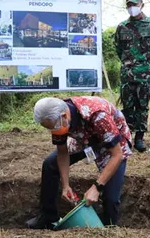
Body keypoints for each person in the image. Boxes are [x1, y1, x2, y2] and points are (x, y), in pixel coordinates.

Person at [26, 96, 132, 229]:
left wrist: (96, 187)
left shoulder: (97, 115)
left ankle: (109, 227)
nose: (54, 131)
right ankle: (48, 216)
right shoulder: (57, 120)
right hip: (84, 138)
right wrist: (65, 185)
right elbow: (62, 152)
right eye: (50, 129)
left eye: (54, 128)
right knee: (50, 164)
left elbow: (117, 155)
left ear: (64, 116)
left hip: (113, 143)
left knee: (110, 196)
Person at [114, 0, 150, 152]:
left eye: (134, 4)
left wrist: (145, 61)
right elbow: (118, 49)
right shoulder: (122, 27)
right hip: (127, 73)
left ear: (142, 5)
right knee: (127, 105)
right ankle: (127, 135)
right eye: (129, 5)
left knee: (142, 105)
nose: (131, 8)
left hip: (145, 72)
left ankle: (140, 137)